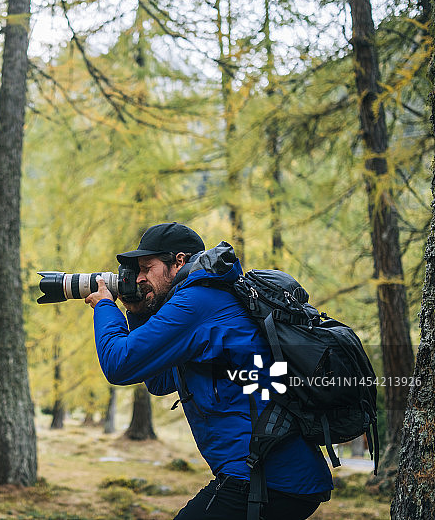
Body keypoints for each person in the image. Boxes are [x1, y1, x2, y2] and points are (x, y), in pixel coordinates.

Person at [84, 222, 332, 520]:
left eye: (146, 268)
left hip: (264, 479)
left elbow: (119, 365)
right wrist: (137, 313)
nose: (139, 278)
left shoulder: (196, 302)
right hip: (277, 476)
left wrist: (105, 307)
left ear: (178, 261)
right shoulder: (207, 296)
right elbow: (160, 381)